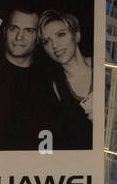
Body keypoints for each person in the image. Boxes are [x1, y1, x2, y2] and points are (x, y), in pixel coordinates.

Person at [0, 8, 81, 151]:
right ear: (5, 31)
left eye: (29, 31)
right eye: (14, 29)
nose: (19, 37)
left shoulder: (50, 79)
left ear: (38, 38)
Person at [39, 10, 95, 148]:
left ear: (76, 35)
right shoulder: (57, 88)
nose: (54, 45)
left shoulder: (101, 65)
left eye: (61, 34)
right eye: (46, 41)